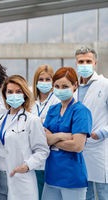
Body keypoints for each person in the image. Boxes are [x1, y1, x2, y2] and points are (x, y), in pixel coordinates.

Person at [0, 75, 49, 200]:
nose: (14, 95)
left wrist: (27, 166)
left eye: (18, 91)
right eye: (10, 92)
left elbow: (42, 151)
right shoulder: (0, 119)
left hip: (20, 176)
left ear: (24, 95)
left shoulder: (32, 120)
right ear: (5, 95)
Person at [42, 67, 92, 200]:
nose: (60, 89)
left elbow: (77, 146)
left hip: (72, 177)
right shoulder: (53, 110)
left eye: (65, 86)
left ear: (75, 85)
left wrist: (52, 138)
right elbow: (43, 140)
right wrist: (61, 135)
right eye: (57, 86)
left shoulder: (81, 111)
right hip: (51, 176)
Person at [73, 47, 108, 200]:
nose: (85, 64)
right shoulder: (73, 89)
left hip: (99, 146)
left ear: (95, 63)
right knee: (84, 193)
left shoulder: (105, 85)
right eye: (81, 61)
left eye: (88, 61)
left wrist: (101, 133)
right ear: (76, 63)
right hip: (77, 147)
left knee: (102, 191)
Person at [31, 64, 59, 199]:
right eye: (41, 79)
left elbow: (54, 128)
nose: (44, 83)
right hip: (32, 156)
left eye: (48, 79)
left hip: (51, 156)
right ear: (36, 81)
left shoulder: (57, 101)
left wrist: (37, 125)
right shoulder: (30, 102)